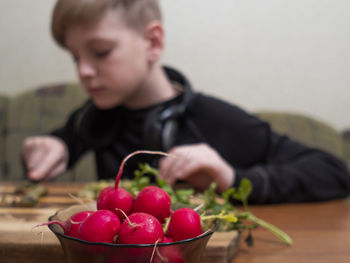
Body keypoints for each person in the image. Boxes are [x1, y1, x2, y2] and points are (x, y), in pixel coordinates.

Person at [22, 0, 350, 203]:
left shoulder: (217, 119)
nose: (83, 71)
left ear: (153, 42)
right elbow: (66, 140)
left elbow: (333, 173)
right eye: (74, 57)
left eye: (101, 52)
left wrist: (231, 178)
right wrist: (53, 145)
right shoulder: (93, 116)